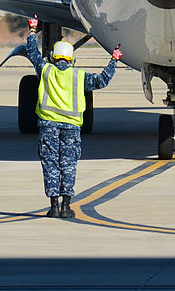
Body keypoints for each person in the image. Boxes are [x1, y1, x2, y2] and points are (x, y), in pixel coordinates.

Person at [26, 16, 122, 218]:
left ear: (52, 57)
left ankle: (53, 206)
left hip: (48, 125)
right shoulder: (80, 77)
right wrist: (113, 59)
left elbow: (33, 53)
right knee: (68, 164)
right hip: (71, 127)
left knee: (50, 163)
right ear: (71, 59)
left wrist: (33, 31)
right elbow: (103, 80)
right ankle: (66, 206)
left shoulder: (46, 71)